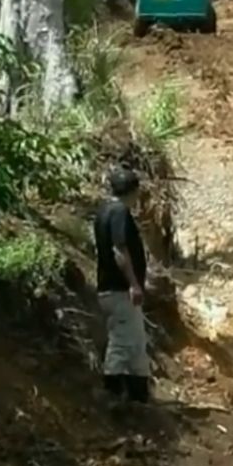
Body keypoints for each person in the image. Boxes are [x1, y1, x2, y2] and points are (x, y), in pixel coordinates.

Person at [94, 167, 150, 405]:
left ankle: (139, 394)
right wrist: (134, 284)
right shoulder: (119, 212)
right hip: (119, 289)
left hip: (109, 288)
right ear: (134, 191)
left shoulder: (104, 210)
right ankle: (112, 391)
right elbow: (119, 249)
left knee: (136, 341)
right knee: (122, 341)